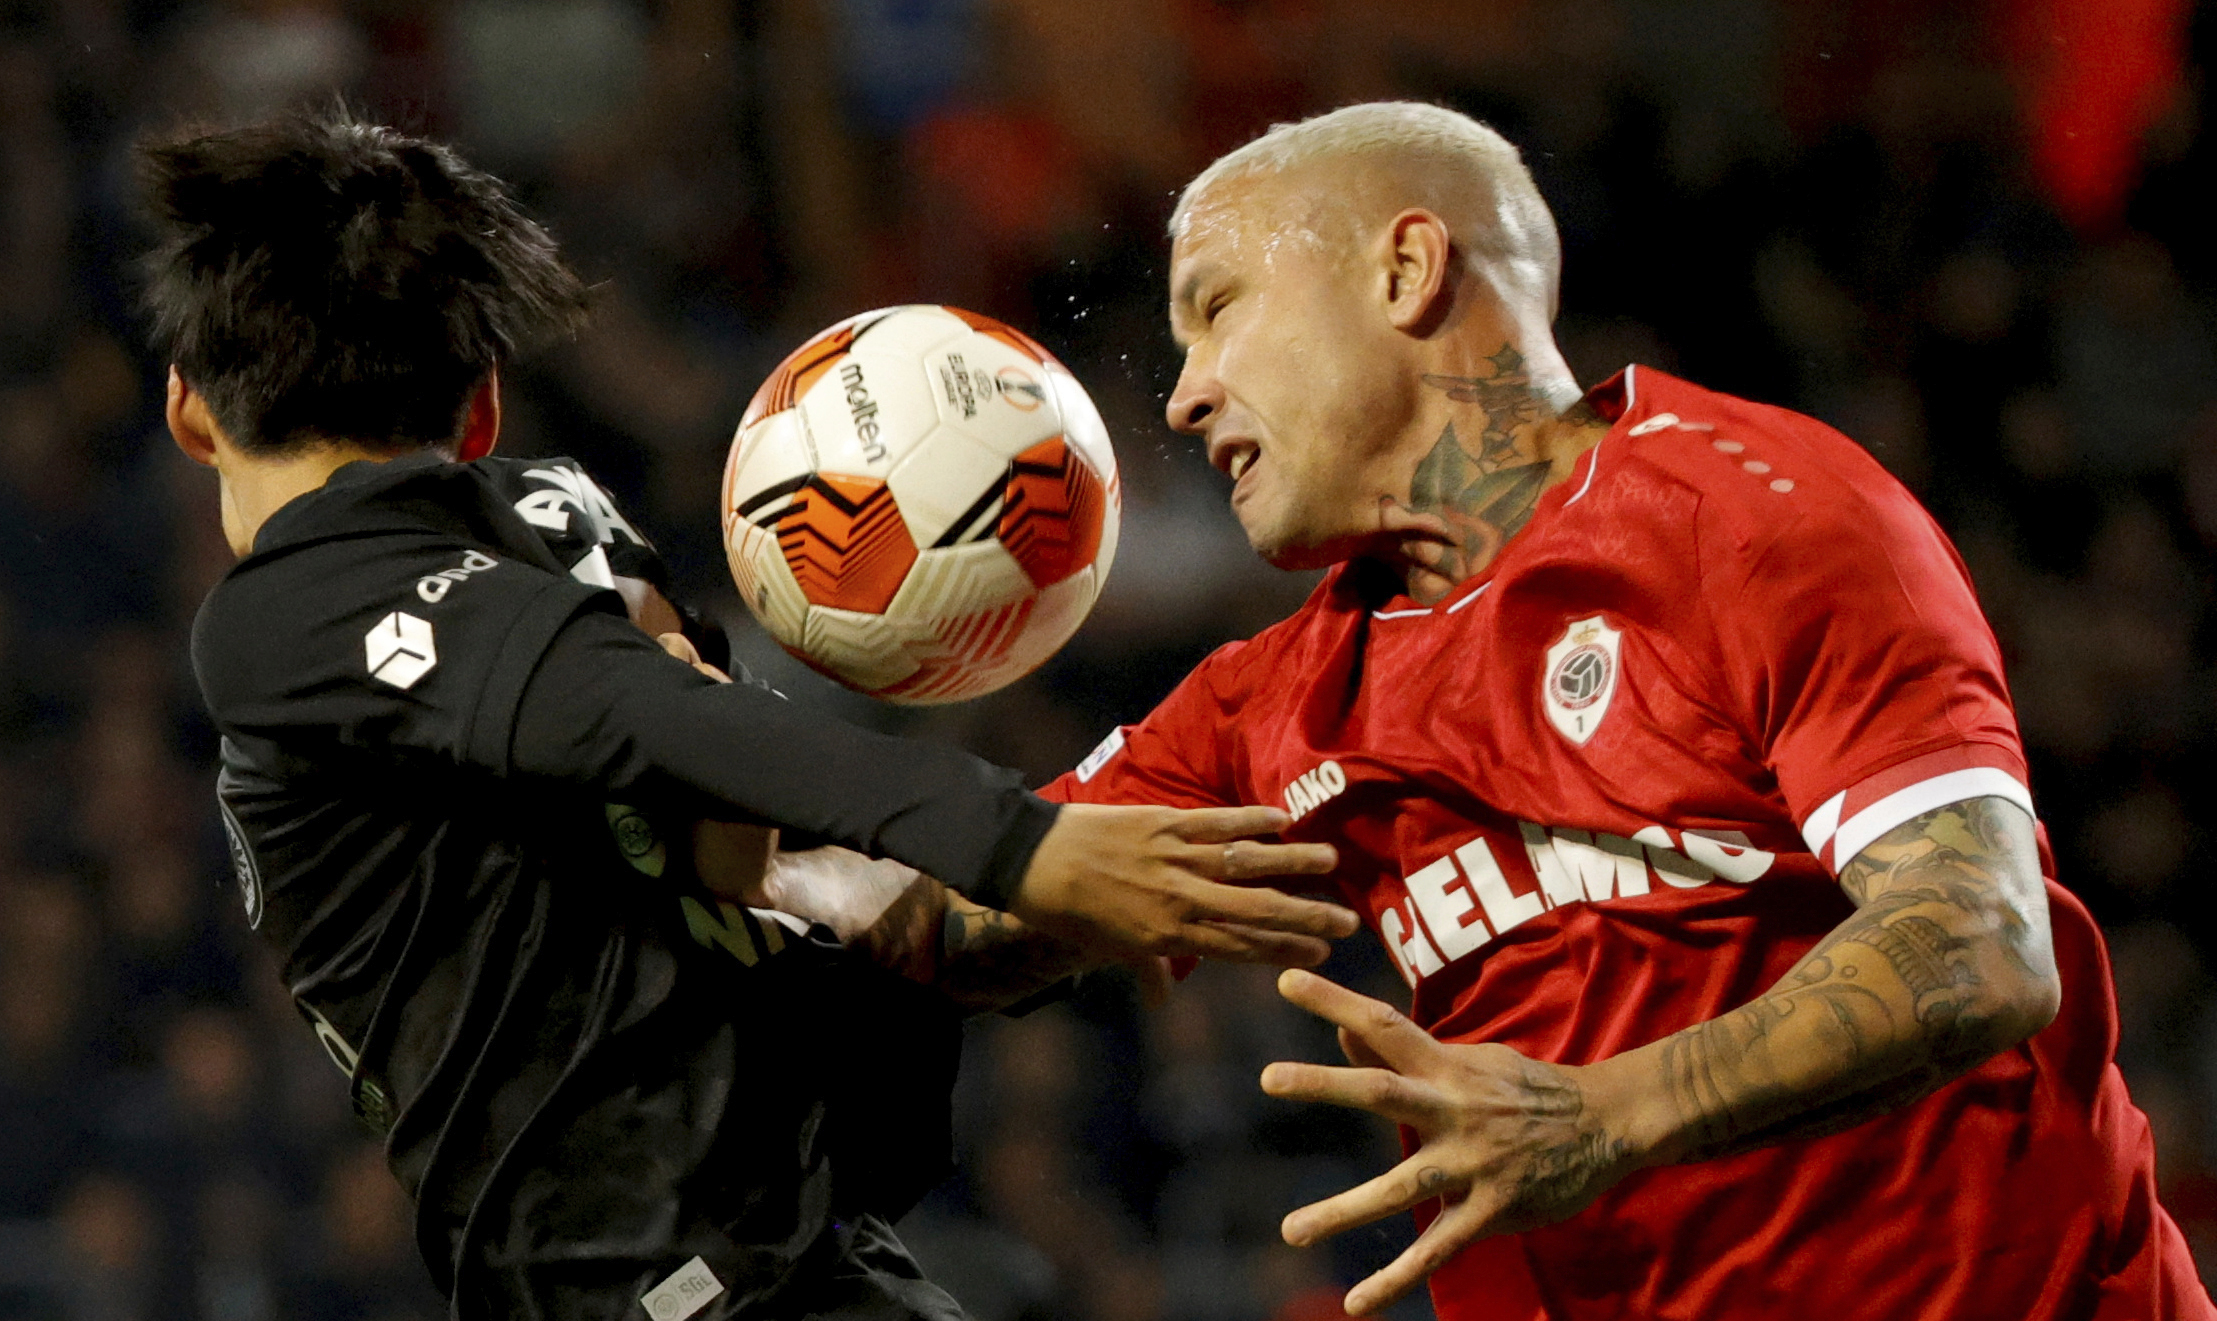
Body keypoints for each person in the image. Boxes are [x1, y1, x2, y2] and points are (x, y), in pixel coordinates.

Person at [148, 111, 1357, 1321]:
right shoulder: (472, 562)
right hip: (703, 1280)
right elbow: (657, 736)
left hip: (706, 1272)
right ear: (482, 410)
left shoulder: (296, 607)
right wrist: (991, 856)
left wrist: (1016, 876)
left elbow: (704, 804)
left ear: (190, 410)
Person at [1044, 102, 2216, 1320]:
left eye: (1219, 306)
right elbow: (964, 907)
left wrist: (1604, 1117)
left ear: (1404, 270)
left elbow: (1978, 943)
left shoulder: (1755, 520)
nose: (1185, 397)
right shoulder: (1276, 699)